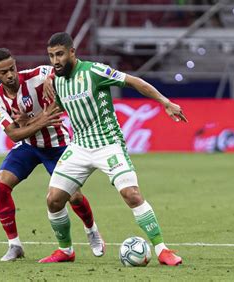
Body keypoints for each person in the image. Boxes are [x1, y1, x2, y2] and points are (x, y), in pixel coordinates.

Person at [38, 33, 188, 266]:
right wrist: (30, 121)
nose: (55, 60)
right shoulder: (56, 80)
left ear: (72, 52)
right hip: (79, 146)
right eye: (51, 56)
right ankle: (66, 250)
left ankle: (162, 249)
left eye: (59, 54)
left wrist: (165, 101)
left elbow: (134, 82)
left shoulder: (94, 71)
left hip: (108, 144)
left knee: (132, 194)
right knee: (54, 200)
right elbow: (57, 106)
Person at [0, 48, 105, 262]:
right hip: (28, 146)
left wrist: (51, 77)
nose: (10, 75)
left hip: (57, 144)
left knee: (73, 195)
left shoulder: (35, 76)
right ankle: (14, 245)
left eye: (12, 68)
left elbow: (62, 69)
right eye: (4, 72)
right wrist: (39, 120)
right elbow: (13, 134)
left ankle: (92, 230)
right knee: (0, 186)